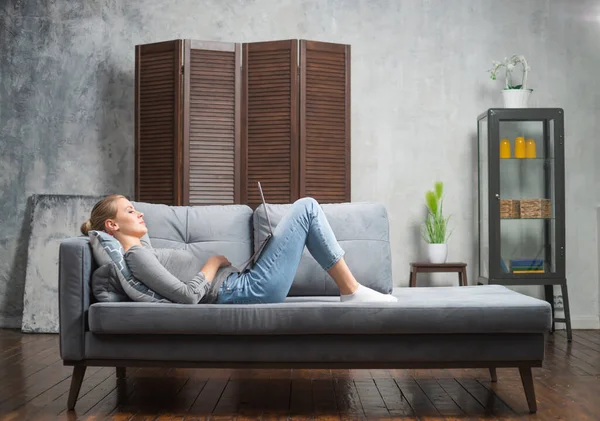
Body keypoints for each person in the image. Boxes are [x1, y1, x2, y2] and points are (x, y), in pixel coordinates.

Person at [80, 194, 398, 305]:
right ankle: (351, 289)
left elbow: (121, 240)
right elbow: (187, 296)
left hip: (244, 282)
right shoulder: (136, 256)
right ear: (112, 226)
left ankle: (351, 289)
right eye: (130, 211)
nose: (140, 213)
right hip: (245, 289)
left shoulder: (140, 248)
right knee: (307, 208)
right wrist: (214, 262)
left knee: (305, 210)